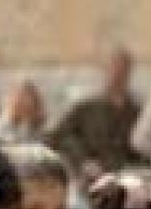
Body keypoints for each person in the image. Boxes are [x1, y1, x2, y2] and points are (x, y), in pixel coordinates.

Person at [48, 47, 142, 185]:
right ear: (105, 70)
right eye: (113, 67)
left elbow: (144, 149)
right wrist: (83, 160)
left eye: (123, 69)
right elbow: (57, 136)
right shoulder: (86, 106)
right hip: (91, 180)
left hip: (127, 180)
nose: (117, 73)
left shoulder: (137, 111)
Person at [0, 79, 48, 150]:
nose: (25, 104)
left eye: (29, 102)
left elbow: (38, 144)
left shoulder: (34, 123)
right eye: (22, 101)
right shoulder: (6, 119)